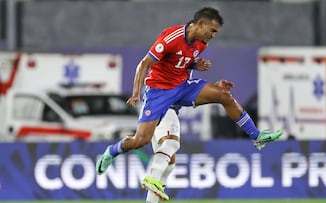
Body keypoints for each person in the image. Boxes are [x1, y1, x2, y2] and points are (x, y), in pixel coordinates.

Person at [96, 6, 282, 199]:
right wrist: (136, 93)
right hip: (159, 92)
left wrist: (195, 65)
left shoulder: (201, 43)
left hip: (183, 86)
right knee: (141, 141)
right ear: (200, 24)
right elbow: (144, 64)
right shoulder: (171, 37)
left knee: (223, 94)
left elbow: (181, 62)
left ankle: (256, 136)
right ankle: (111, 152)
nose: (213, 36)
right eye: (212, 31)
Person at [143, 79, 235, 202]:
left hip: (152, 106)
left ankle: (151, 198)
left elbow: (186, 83)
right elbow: (181, 80)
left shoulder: (179, 65)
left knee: (169, 163)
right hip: (165, 108)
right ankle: (152, 179)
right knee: (172, 143)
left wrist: (213, 86)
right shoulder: (175, 63)